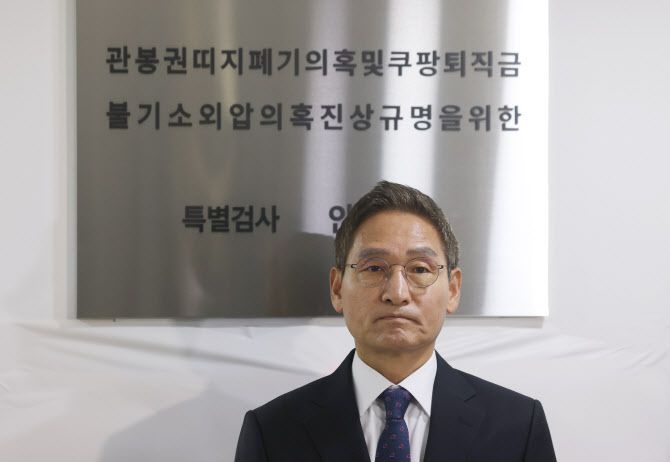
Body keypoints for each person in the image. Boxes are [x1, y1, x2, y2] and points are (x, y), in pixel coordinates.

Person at [235, 181, 557, 462]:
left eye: (419, 269)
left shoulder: (517, 427)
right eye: (374, 268)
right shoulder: (273, 431)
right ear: (337, 288)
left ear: (453, 290)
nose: (397, 293)